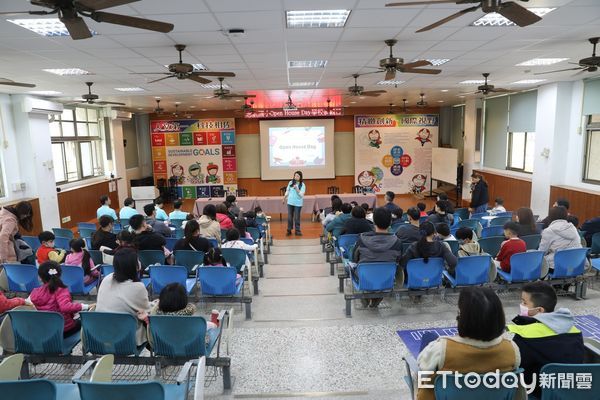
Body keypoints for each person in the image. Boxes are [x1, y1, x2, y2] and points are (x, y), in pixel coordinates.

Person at [417, 287, 520, 400]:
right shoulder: (512, 349)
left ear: (463, 318)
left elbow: (423, 370)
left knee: (429, 337)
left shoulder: (442, 349)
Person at [507, 282, 584, 398]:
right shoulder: (575, 331)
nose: (521, 305)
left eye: (524, 302)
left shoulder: (525, 335)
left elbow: (515, 367)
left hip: (537, 394)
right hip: (570, 393)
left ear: (540, 310)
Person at [96, 248, 152, 345]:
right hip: (127, 339)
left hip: (102, 335)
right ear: (134, 266)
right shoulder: (138, 287)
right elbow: (146, 310)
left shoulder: (107, 278)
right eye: (137, 260)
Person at [351, 207, 403, 308]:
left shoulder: (362, 239)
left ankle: (366, 296)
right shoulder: (397, 242)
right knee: (385, 271)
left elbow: (354, 259)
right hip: (386, 278)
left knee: (358, 268)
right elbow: (398, 260)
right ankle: (376, 298)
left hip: (365, 276)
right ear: (390, 222)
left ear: (373, 221)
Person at [30, 261, 91, 337]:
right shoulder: (60, 289)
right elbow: (65, 307)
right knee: (87, 322)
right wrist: (85, 306)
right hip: (64, 329)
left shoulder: (35, 292)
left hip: (47, 330)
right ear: (60, 274)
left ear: (40, 277)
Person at [538, 206, 582, 274]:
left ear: (550, 216)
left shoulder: (548, 231)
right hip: (575, 264)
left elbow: (542, 252)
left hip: (556, 267)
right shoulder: (573, 228)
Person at [283, 170, 306, 236]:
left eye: (297, 176)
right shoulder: (290, 182)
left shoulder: (302, 185)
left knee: (296, 217)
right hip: (290, 202)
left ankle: (297, 230)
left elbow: (301, 195)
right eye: (295, 175)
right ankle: (289, 230)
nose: (296, 177)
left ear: (300, 177)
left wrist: (297, 189)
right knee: (290, 217)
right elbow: (287, 190)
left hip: (298, 203)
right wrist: (284, 198)